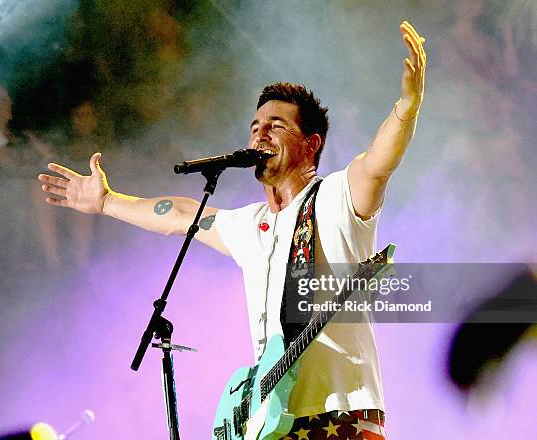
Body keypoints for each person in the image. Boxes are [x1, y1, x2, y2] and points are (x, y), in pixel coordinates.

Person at [38, 20, 426, 440]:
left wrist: (407, 106)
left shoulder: (334, 199)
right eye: (255, 126)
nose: (260, 133)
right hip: (271, 423)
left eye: (276, 125)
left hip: (339, 414)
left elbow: (377, 164)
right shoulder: (251, 225)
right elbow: (179, 215)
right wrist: (107, 202)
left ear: (311, 144)